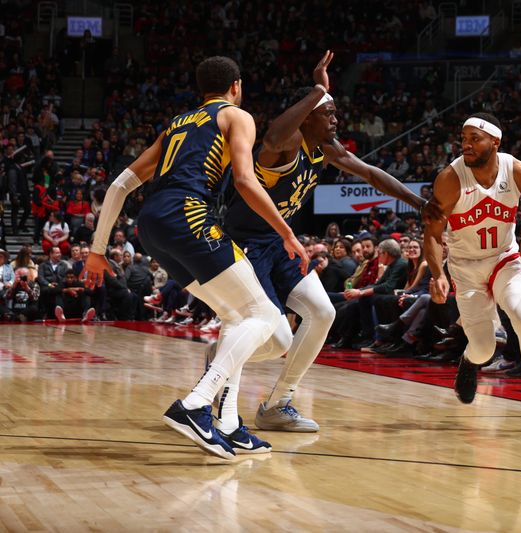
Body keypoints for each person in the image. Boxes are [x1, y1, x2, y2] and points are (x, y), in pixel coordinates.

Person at [82, 56, 307, 460]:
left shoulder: (176, 124)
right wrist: (286, 230)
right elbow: (243, 178)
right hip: (190, 214)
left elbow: (119, 185)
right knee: (267, 321)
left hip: (151, 224)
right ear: (236, 85)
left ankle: (229, 424)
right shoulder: (237, 116)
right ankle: (196, 403)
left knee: (240, 320)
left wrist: (97, 252)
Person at [221, 51, 435, 432]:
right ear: (307, 116)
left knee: (323, 312)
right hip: (246, 245)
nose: (336, 119)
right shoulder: (282, 147)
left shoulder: (325, 150)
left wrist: (419, 204)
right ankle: (219, 370)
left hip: (279, 243)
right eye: (329, 112)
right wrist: (318, 88)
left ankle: (276, 404)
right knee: (273, 335)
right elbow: (270, 134)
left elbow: (370, 173)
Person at [424, 112, 521, 435]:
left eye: (475, 138)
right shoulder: (450, 179)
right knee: (485, 349)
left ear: (495, 142)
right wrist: (437, 273)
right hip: (465, 267)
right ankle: (470, 360)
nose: (467, 145)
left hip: (506, 258)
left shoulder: (516, 170)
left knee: (520, 313)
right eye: (463, 139)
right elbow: (432, 234)